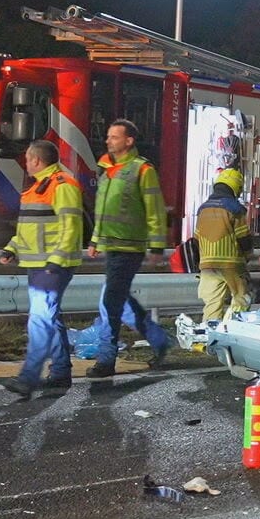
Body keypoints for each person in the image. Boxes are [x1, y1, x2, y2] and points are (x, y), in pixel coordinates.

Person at [0, 140, 84, 399]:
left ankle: (29, 377)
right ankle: (60, 373)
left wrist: (56, 260)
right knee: (50, 318)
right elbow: (27, 227)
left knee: (40, 319)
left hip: (52, 265)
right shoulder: (37, 188)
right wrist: (11, 248)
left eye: (27, 158)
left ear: (36, 160)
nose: (26, 163)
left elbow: (72, 225)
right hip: (39, 264)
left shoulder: (62, 185)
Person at [87, 120, 172, 377]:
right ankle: (159, 340)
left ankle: (106, 359)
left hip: (129, 248)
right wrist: (94, 240)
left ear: (129, 141)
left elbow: (155, 210)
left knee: (109, 302)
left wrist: (157, 246)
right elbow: (102, 211)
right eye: (108, 137)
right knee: (120, 300)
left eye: (114, 137)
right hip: (111, 245)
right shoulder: (107, 169)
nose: (108, 141)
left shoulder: (142, 170)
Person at [192, 167, 253, 323]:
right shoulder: (235, 208)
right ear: (235, 186)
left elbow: (196, 239)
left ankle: (207, 337)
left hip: (207, 265)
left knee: (212, 303)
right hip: (231, 263)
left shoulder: (202, 209)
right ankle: (231, 329)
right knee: (242, 297)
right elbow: (243, 237)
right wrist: (248, 255)